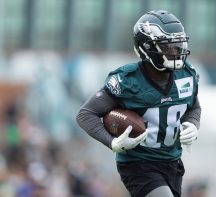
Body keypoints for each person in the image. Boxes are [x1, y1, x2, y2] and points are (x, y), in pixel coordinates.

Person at [76, 10, 201, 197]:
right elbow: (85, 115)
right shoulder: (127, 80)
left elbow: (193, 107)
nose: (177, 52)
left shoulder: (186, 75)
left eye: (178, 45)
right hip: (138, 164)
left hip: (172, 162)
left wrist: (193, 123)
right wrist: (113, 142)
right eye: (168, 47)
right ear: (146, 47)